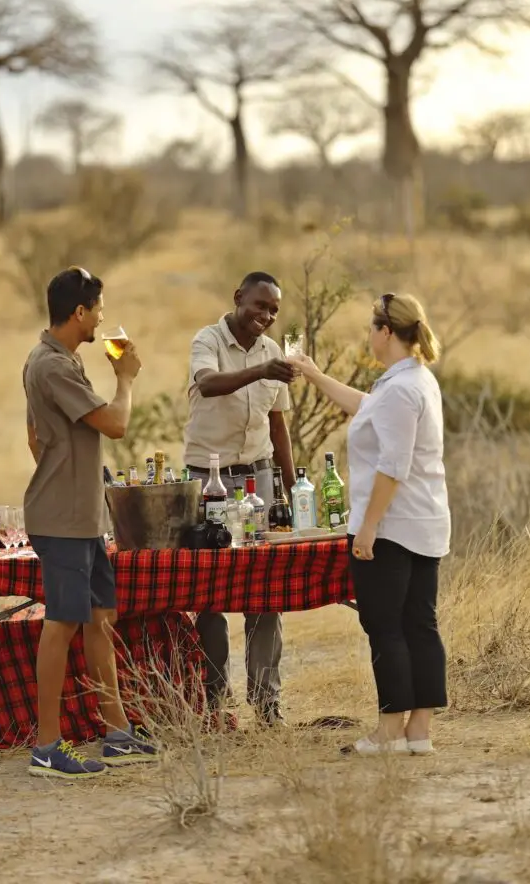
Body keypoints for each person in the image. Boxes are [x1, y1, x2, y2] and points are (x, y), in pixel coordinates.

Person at [288, 293, 449, 755]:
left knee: (385, 625)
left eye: (370, 328)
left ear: (385, 332)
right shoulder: (410, 381)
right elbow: (365, 406)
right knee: (420, 622)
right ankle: (418, 731)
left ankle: (390, 729)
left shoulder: (400, 388)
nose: (368, 336)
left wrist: (368, 527)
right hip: (424, 520)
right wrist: (316, 374)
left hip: (394, 526)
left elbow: (392, 465)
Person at [23, 266, 158, 778]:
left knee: (101, 618)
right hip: (63, 519)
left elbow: (34, 437)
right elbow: (117, 425)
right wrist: (126, 378)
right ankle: (47, 747)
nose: (102, 318)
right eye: (97, 309)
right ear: (79, 312)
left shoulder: (59, 360)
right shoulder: (52, 366)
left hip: (83, 516)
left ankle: (117, 733)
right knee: (61, 625)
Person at [183, 271, 298, 726]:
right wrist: (261, 370)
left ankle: (267, 703)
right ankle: (214, 701)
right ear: (238, 299)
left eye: (273, 311)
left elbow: (278, 426)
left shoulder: (273, 352)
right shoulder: (206, 340)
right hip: (208, 479)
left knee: (265, 587)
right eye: (259, 306)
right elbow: (209, 384)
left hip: (259, 478)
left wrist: (292, 489)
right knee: (210, 590)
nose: (266, 317)